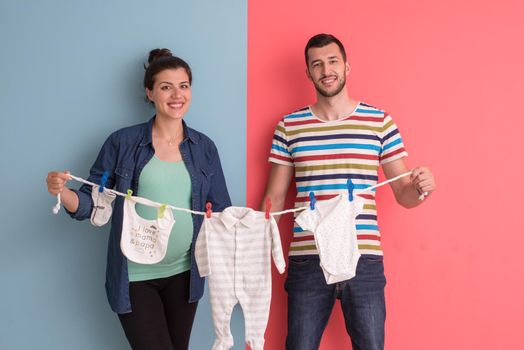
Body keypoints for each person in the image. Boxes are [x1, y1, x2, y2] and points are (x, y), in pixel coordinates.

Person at [46, 48, 231, 350]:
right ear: (150, 92)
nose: (177, 94)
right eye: (166, 87)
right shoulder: (123, 142)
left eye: (183, 86)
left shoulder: (204, 148)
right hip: (135, 276)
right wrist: (62, 192)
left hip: (185, 275)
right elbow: (93, 205)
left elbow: (222, 210)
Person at [261, 34, 436, 350]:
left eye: (332, 61)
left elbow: (403, 193)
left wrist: (421, 189)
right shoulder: (289, 127)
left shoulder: (379, 122)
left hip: (363, 258)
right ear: (308, 73)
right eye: (317, 64)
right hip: (308, 258)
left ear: (346, 66)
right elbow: (273, 199)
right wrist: (249, 240)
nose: (326, 70)